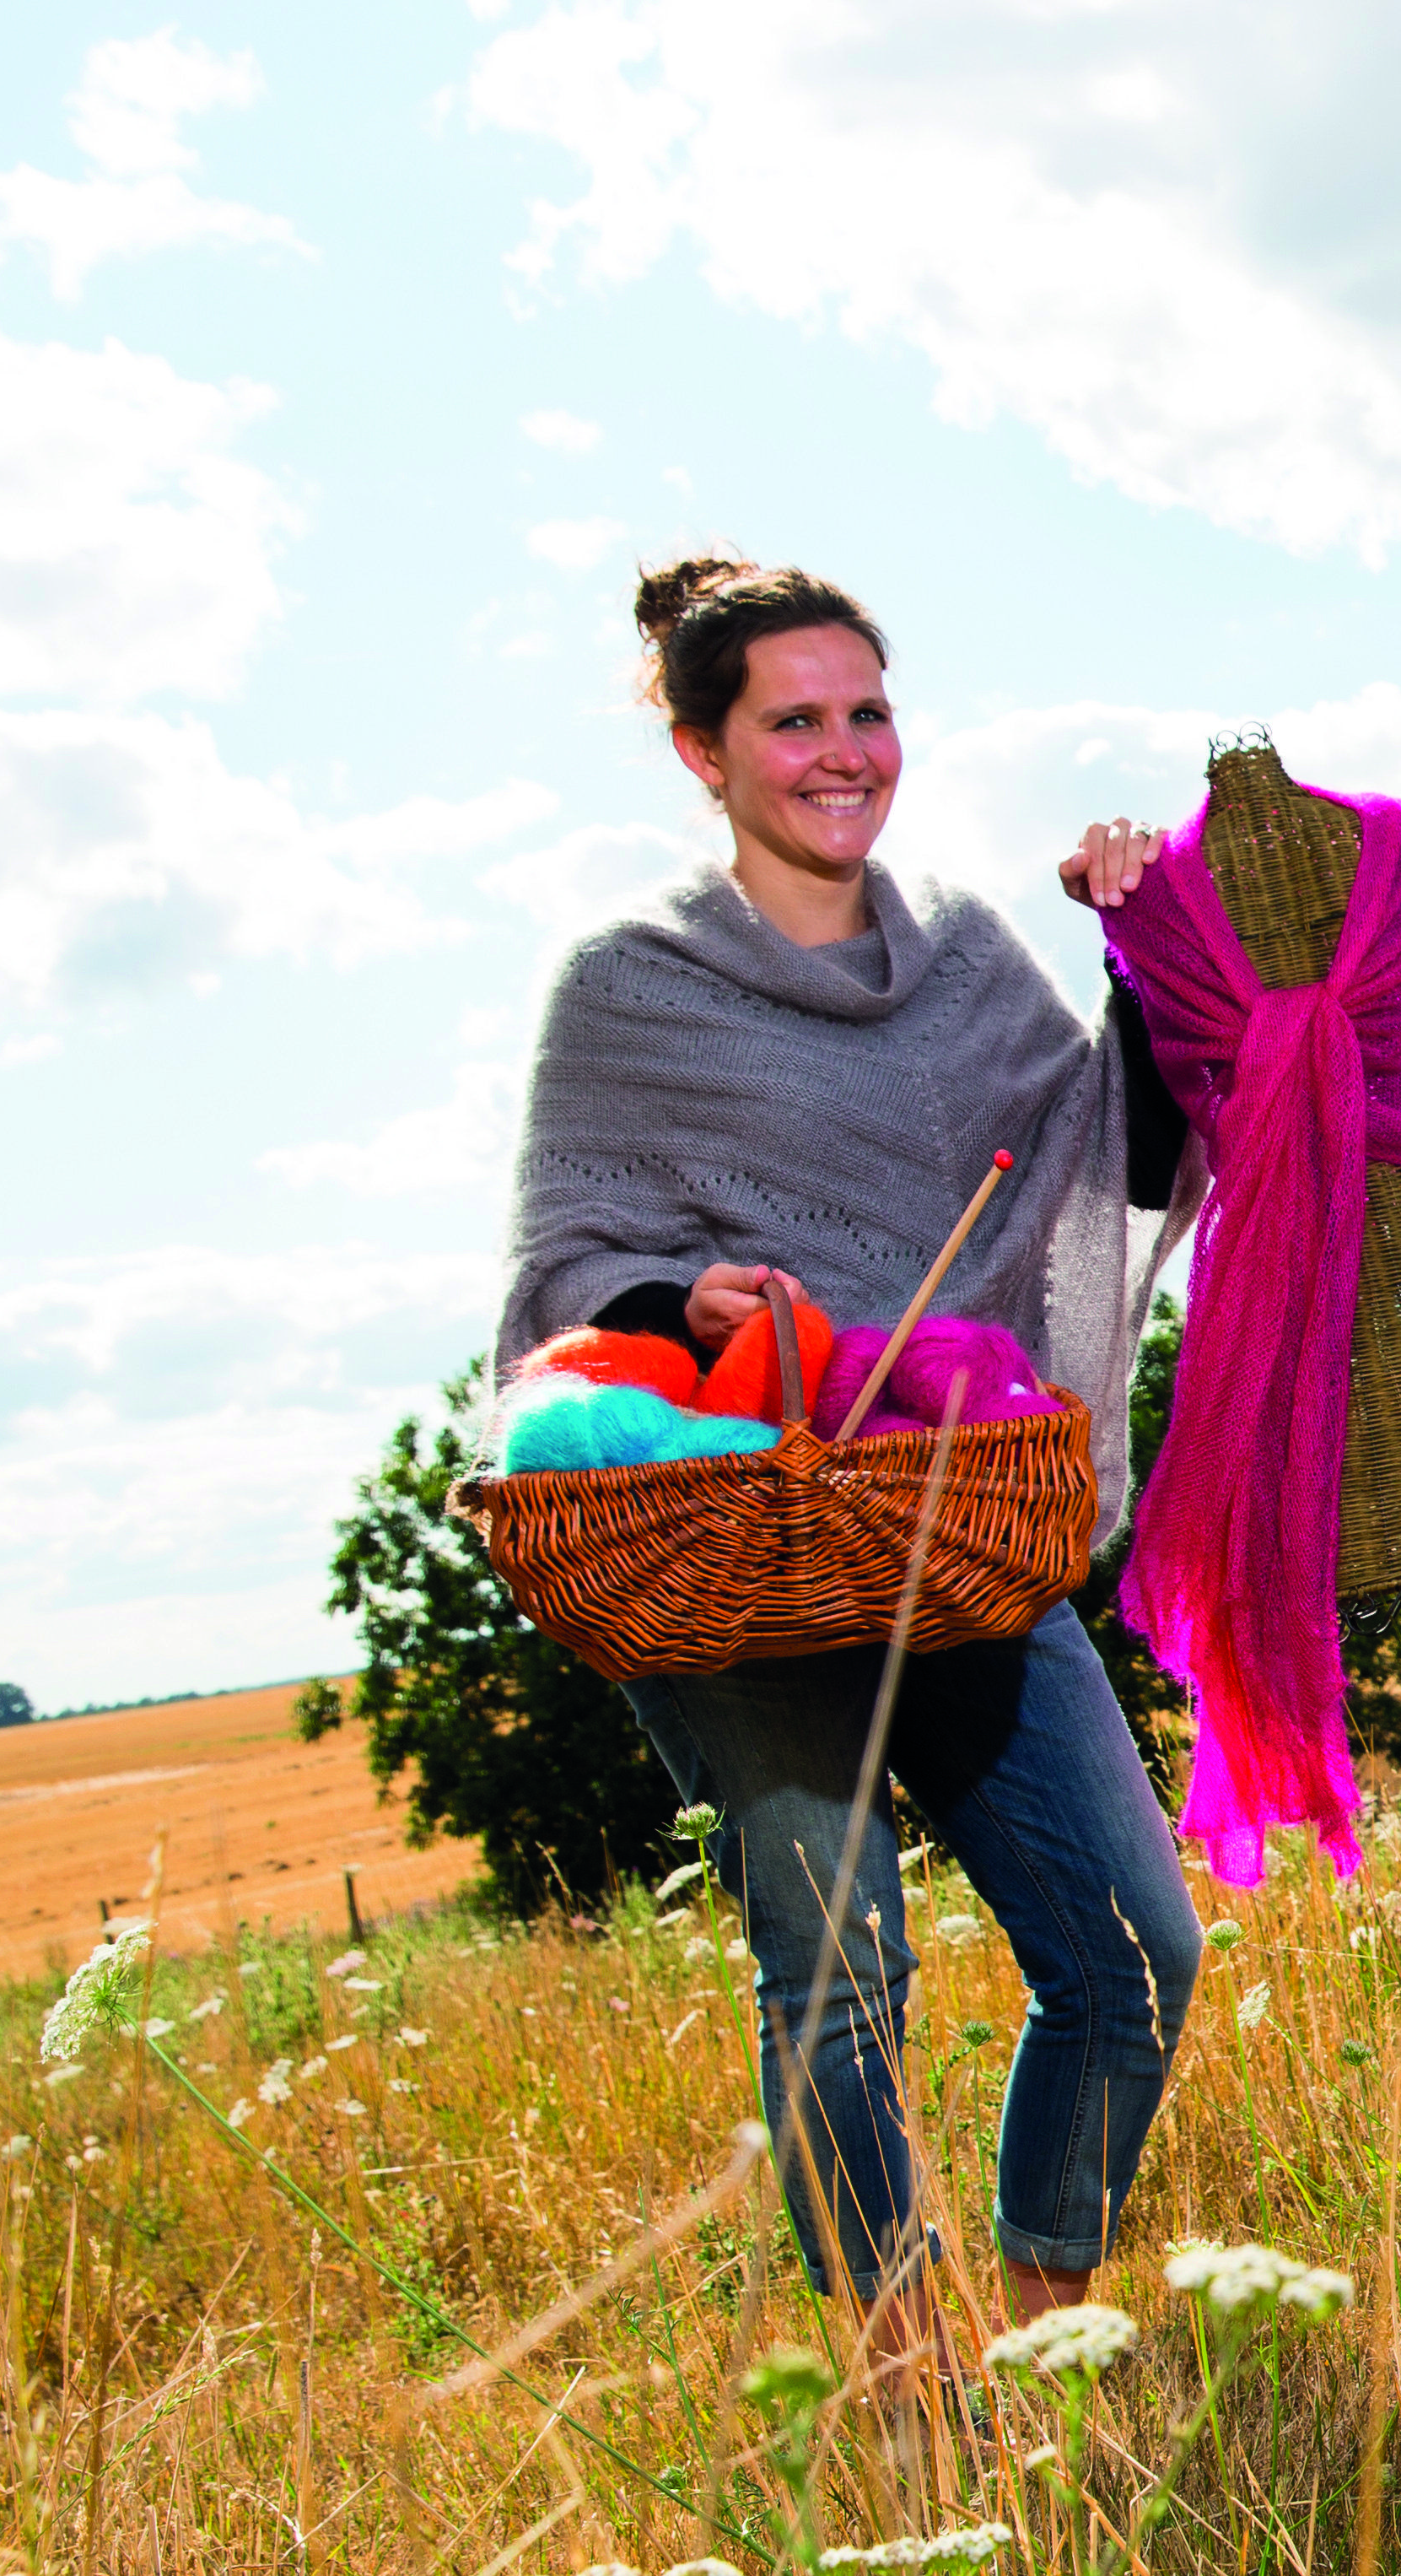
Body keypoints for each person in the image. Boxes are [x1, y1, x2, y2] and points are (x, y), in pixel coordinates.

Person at [499, 554, 1199, 2388]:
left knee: (1137, 1955)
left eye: (865, 712)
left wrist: (1150, 949)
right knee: (839, 1978)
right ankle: (906, 2388)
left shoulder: (970, 963)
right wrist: (681, 1293)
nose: (841, 753)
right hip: (739, 1550)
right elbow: (561, 1276)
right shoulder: (630, 991)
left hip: (951, 1528)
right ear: (701, 754)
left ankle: (1042, 2348)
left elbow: (1109, 1159)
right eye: (792, 720)